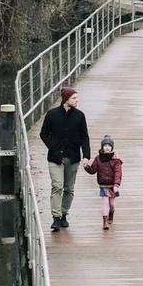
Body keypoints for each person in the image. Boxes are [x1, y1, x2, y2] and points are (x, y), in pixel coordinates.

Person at [39, 87, 91, 232]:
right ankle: (55, 218)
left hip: (73, 157)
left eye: (77, 97)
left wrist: (86, 156)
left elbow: (84, 137)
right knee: (57, 186)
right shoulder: (52, 114)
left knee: (69, 188)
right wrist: (52, 146)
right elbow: (43, 133)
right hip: (55, 158)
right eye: (74, 98)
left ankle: (63, 214)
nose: (77, 100)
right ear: (66, 99)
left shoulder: (80, 116)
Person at [83, 135, 123, 230]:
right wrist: (87, 167)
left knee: (112, 204)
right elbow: (93, 170)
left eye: (109, 146)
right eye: (105, 145)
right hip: (103, 185)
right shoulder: (98, 159)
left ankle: (111, 212)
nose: (107, 147)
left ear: (112, 147)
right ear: (102, 147)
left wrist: (116, 184)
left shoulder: (116, 160)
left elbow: (118, 173)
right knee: (105, 202)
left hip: (113, 185)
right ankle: (105, 221)